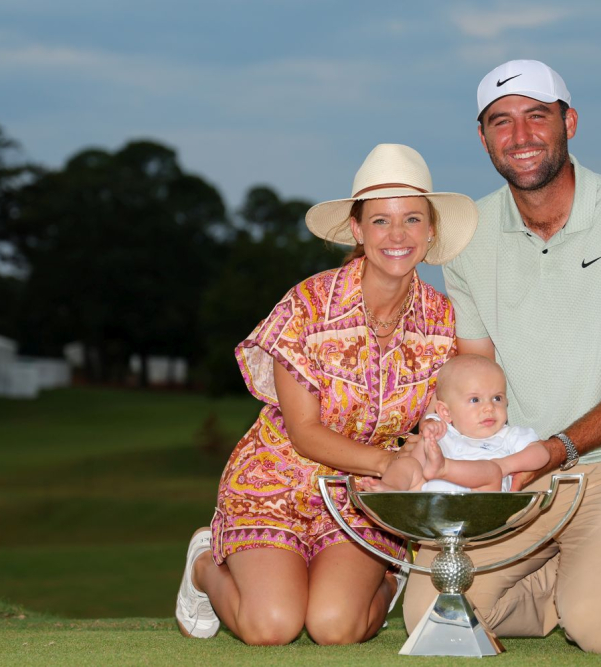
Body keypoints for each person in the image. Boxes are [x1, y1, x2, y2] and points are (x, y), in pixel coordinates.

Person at [402, 60, 601, 654]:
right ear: (483, 139)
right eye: (501, 122)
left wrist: (555, 450)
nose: (521, 136)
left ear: (571, 122)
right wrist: (437, 430)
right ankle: (584, 575)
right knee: (434, 618)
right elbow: (474, 375)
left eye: (538, 116)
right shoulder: (468, 237)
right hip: (512, 471)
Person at [175, 143, 478, 646]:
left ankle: (386, 575)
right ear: (358, 230)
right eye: (380, 221)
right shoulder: (308, 305)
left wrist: (420, 454)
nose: (397, 235)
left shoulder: (446, 323)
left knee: (335, 627)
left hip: (365, 501)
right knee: (271, 625)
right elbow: (305, 432)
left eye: (412, 219)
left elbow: (443, 418)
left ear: (431, 230)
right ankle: (206, 565)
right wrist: (388, 462)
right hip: (275, 486)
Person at [363, 353, 550, 492]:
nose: (489, 408)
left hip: (478, 503)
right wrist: (429, 429)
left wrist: (505, 466)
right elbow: (428, 425)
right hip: (429, 500)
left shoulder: (507, 435)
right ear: (445, 412)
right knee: (408, 462)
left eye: (497, 398)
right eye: (475, 400)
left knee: (491, 471)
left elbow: (541, 454)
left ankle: (444, 468)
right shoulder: (445, 431)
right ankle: (391, 490)